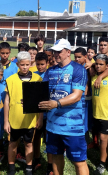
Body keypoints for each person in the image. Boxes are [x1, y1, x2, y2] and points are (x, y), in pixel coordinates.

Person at [39, 38, 89, 175]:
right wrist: (31, 101)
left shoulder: (78, 69)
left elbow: (77, 95)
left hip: (73, 126)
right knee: (55, 156)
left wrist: (56, 103)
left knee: (79, 161)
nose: (56, 54)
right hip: (52, 125)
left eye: (59, 51)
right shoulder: (50, 71)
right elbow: (43, 95)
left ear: (68, 52)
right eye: (54, 51)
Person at [4, 51, 43, 175]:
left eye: (27, 64)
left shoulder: (37, 78)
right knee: (12, 143)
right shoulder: (11, 80)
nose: (25, 67)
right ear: (18, 64)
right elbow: (7, 100)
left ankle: (29, 168)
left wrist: (40, 118)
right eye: (22, 65)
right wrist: (6, 121)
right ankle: (11, 167)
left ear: (31, 63)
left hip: (30, 119)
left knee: (28, 143)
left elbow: (41, 100)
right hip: (14, 118)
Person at [91, 54, 108, 175]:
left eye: (101, 64)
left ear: (107, 65)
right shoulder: (92, 74)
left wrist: (101, 77)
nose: (98, 66)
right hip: (96, 113)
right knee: (100, 139)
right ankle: (107, 158)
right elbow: (88, 63)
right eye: (97, 64)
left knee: (103, 139)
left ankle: (102, 164)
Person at [34, 52, 53, 175]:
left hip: (49, 113)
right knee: (35, 137)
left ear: (47, 63)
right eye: (38, 64)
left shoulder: (51, 74)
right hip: (36, 113)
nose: (40, 67)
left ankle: (50, 165)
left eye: (42, 64)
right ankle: (36, 160)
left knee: (49, 139)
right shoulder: (33, 76)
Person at [74, 47, 92, 143]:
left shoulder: (88, 67)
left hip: (86, 98)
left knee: (85, 121)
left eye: (79, 57)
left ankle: (84, 141)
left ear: (85, 57)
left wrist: (91, 64)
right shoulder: (73, 66)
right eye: (75, 57)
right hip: (76, 97)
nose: (77, 59)